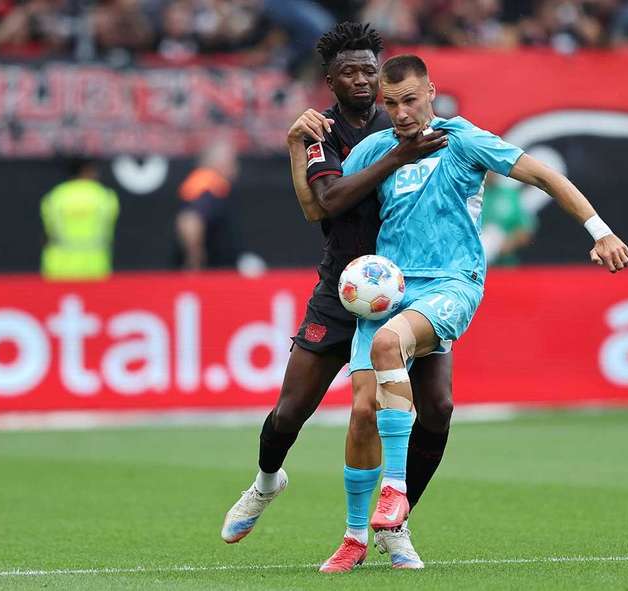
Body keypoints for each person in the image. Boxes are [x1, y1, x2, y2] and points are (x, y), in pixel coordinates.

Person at [315, 53, 628, 569]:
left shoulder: (462, 139)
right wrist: (297, 148)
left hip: (451, 282)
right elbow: (324, 202)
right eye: (391, 103)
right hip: (389, 288)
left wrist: (601, 232)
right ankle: (354, 538)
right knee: (363, 413)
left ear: (431, 92)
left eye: (410, 100)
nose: (401, 112)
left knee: (390, 344)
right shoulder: (375, 148)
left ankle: (394, 497)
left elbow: (543, 176)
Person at [220, 23, 449, 571]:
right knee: (291, 410)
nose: (362, 80)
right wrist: (393, 158)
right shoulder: (320, 132)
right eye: (349, 72)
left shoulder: (404, 120)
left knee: (437, 407)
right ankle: (266, 482)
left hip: (410, 286)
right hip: (344, 288)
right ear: (330, 80)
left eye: (370, 70)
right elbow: (325, 201)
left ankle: (396, 523)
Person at [40, 157, 119, 281]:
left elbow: (48, 233)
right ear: (86, 170)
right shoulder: (105, 197)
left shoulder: (55, 197)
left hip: (58, 267)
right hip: (95, 265)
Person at [173, 138, 239, 270]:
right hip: (208, 273)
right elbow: (189, 219)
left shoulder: (213, 184)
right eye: (232, 162)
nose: (236, 168)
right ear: (220, 163)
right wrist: (194, 258)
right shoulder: (206, 184)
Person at [480, 172, 537, 267]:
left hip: (505, 266)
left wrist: (505, 246)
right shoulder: (467, 196)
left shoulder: (510, 195)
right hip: (471, 265)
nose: (490, 172)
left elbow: (525, 229)